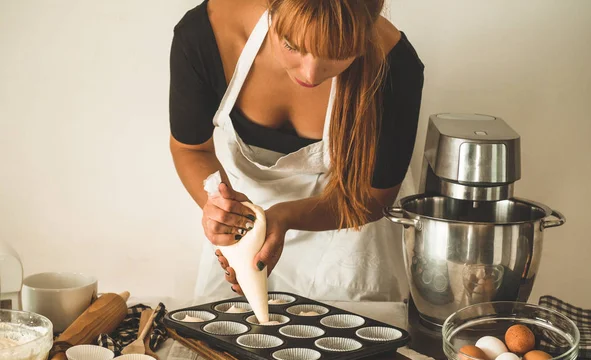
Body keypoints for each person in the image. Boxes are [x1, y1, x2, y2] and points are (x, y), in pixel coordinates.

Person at [169, 0, 424, 301]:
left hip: (348, 238)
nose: (311, 74)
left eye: (339, 54)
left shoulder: (395, 66)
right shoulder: (206, 34)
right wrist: (224, 210)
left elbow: (371, 199)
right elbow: (192, 149)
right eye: (292, 45)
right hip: (245, 230)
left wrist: (286, 216)